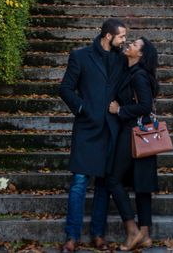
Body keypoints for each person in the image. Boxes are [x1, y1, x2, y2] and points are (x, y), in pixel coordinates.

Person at [58, 17, 128, 253]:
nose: (124, 40)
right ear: (108, 36)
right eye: (121, 36)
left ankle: (98, 233)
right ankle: (72, 236)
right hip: (87, 128)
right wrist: (82, 108)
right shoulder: (80, 56)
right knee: (79, 183)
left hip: (111, 129)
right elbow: (65, 89)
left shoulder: (121, 59)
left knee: (103, 185)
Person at [107, 37, 160, 251]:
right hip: (142, 132)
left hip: (134, 131)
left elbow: (146, 105)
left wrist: (119, 110)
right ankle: (145, 236)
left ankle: (132, 229)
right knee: (142, 184)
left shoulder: (139, 76)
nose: (129, 44)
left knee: (113, 179)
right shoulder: (131, 71)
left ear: (140, 54)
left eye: (135, 45)